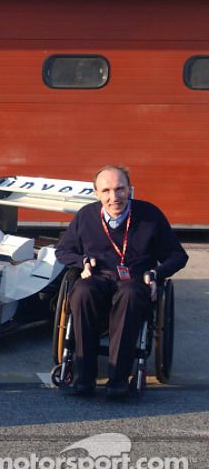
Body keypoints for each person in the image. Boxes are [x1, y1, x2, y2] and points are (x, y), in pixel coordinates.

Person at [55, 165, 188, 398]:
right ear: (96, 193)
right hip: (97, 277)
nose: (113, 197)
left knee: (130, 295)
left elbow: (178, 256)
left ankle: (118, 379)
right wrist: (81, 261)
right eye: (106, 191)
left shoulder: (150, 215)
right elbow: (63, 251)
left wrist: (158, 273)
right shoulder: (86, 216)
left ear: (130, 190)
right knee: (81, 292)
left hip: (134, 280)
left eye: (120, 189)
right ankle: (83, 376)